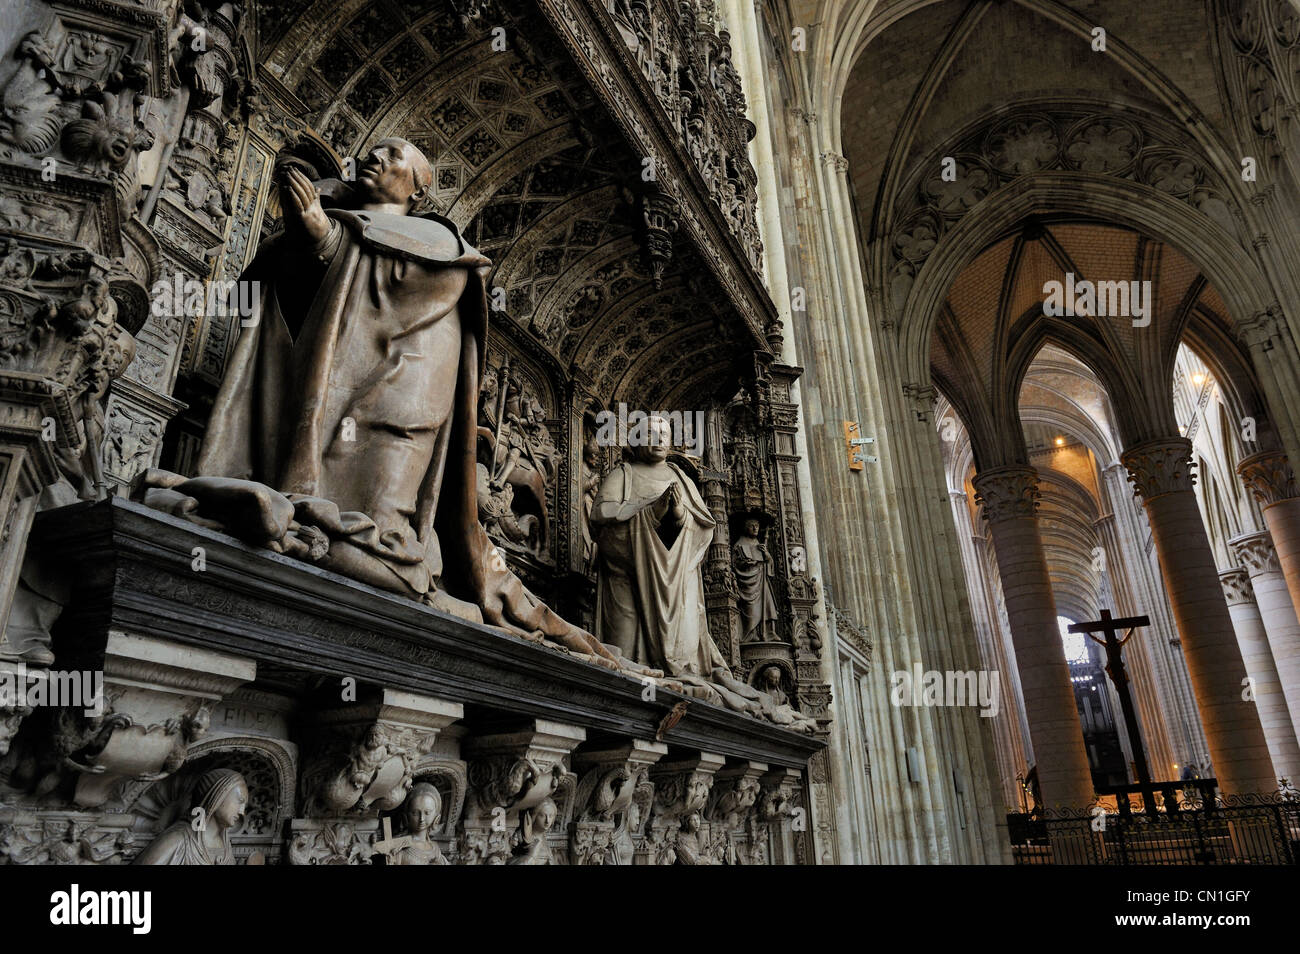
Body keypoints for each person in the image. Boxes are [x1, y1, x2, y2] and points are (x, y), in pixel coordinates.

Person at [142, 137, 611, 664]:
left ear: (419, 186)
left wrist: (328, 239)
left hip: (403, 395)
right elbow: (275, 306)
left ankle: (364, 553)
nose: (375, 158)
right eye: (371, 152)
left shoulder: (440, 240)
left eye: (393, 155)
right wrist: (314, 236)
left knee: (385, 518)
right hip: (329, 389)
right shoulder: (335, 219)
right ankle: (303, 527)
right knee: (335, 500)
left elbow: (412, 286)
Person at [133, 768, 248, 865]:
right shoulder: (179, 840)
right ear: (217, 796)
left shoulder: (225, 845)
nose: (242, 812)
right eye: (240, 801)